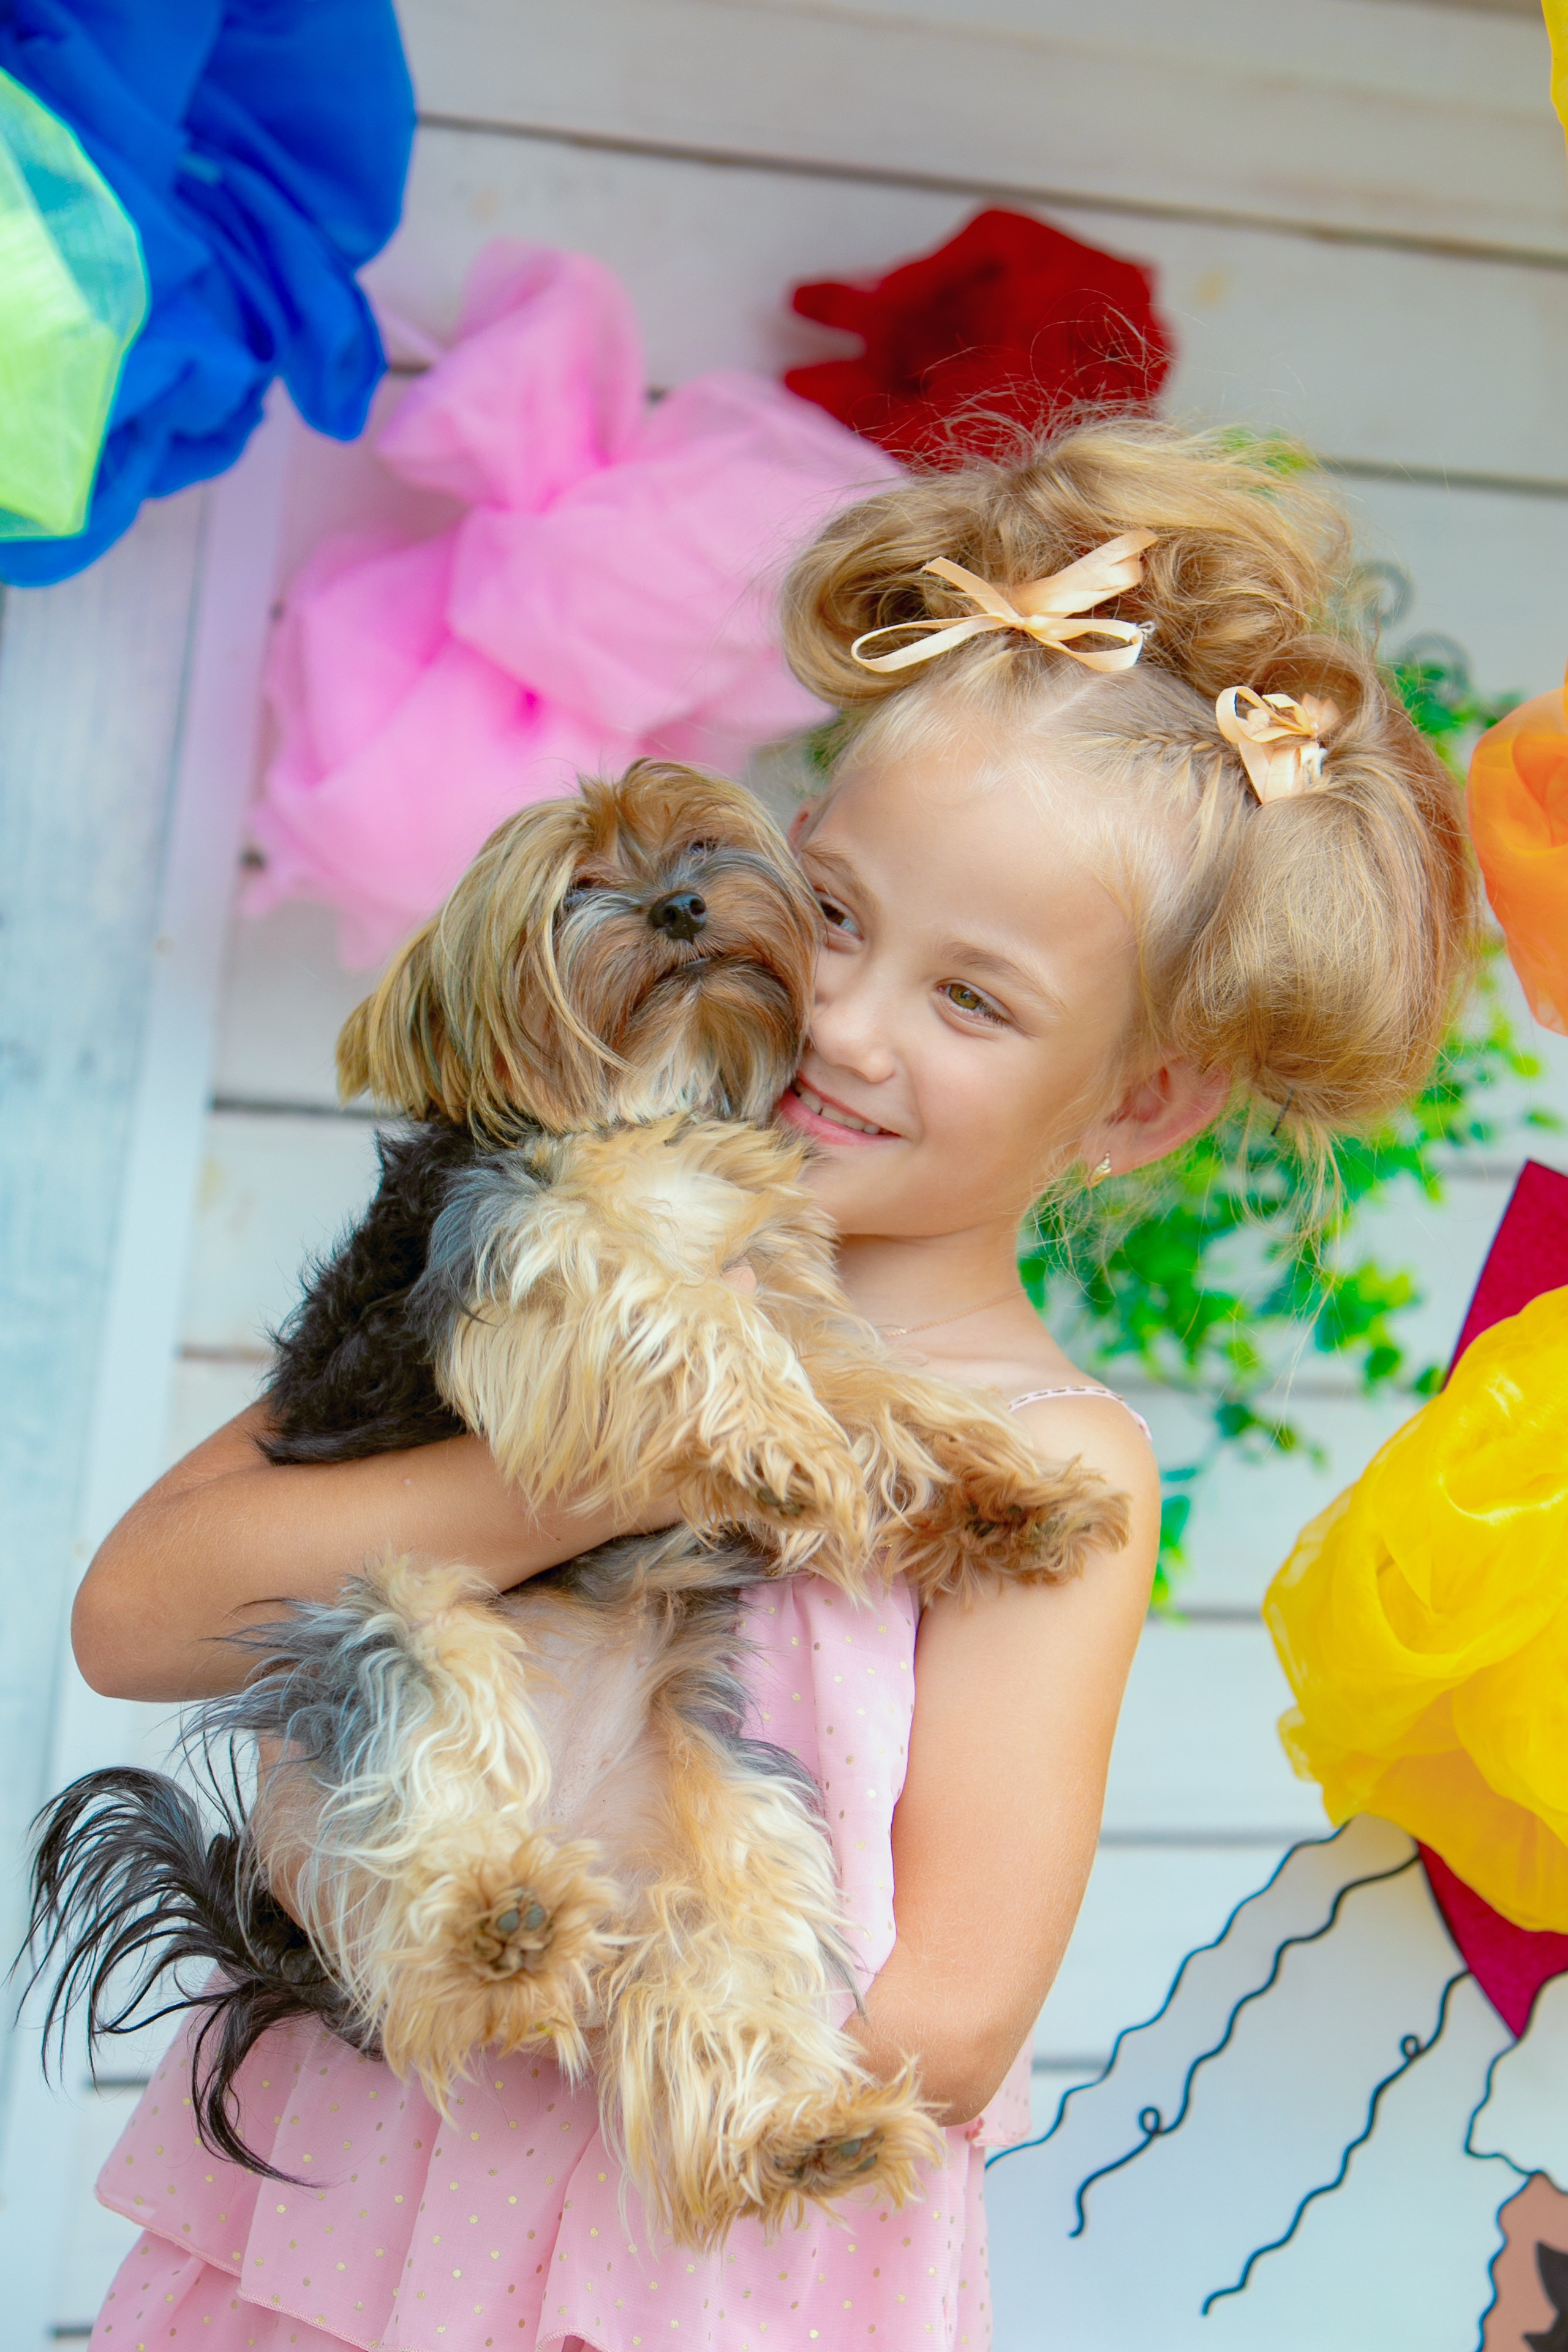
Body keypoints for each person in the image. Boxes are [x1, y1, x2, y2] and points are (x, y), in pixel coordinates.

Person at [70, 421, 1477, 2352]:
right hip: (339, 2223)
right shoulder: (545, 1255)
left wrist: (587, 1987)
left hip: (683, 2268)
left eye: (974, 998)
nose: (847, 1019)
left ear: (1139, 1102)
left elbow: (958, 2017)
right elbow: (135, 1620)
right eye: (829, 910)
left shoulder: (1042, 1466)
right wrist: (614, 1460)